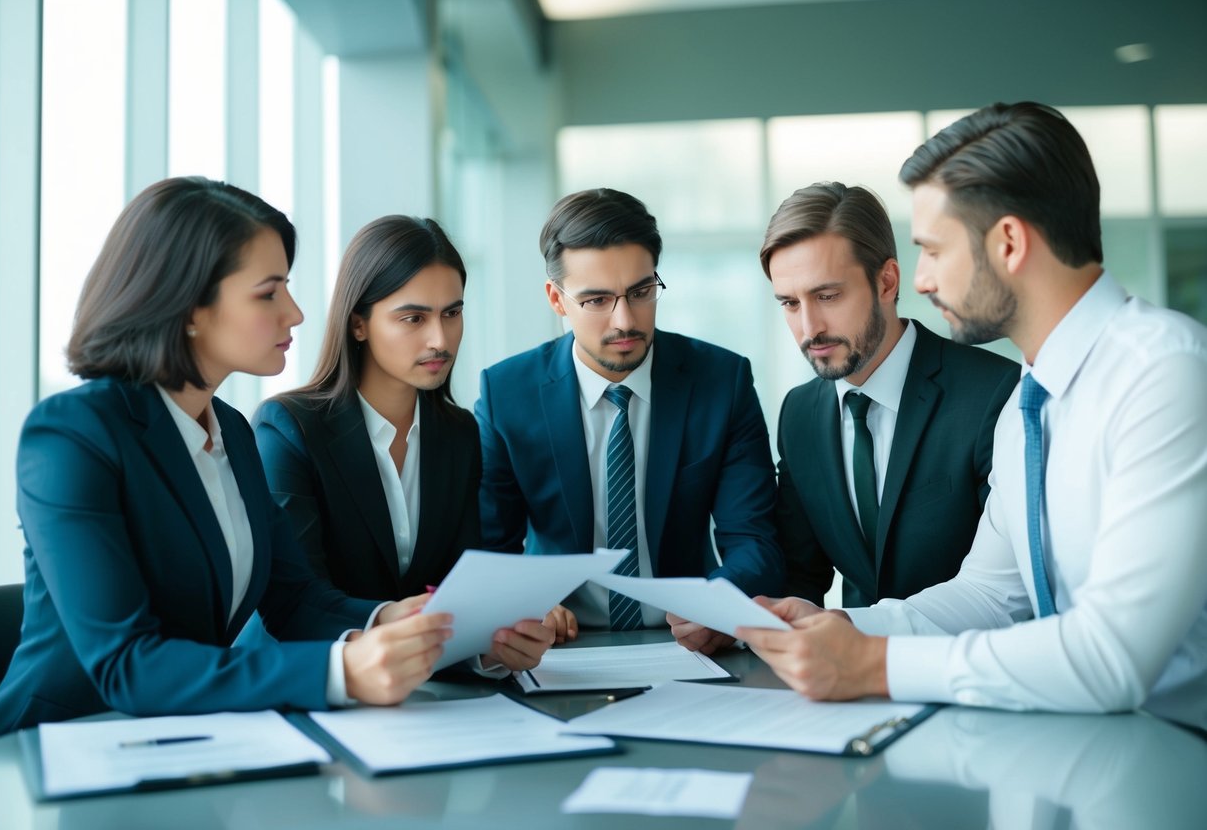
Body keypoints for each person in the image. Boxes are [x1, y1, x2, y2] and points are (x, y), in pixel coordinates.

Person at [739, 102, 1207, 731]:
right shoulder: (1028, 403)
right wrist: (844, 627)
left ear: (1008, 243)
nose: (922, 281)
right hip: (1078, 747)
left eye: (933, 249)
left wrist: (874, 666)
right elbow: (990, 595)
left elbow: (1112, 655)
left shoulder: (1164, 373)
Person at [0, 178, 453, 737]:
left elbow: (293, 598)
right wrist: (341, 671)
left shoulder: (231, 429)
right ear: (187, 306)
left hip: (188, 742)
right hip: (57, 752)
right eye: (269, 293)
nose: (297, 313)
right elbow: (125, 664)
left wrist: (393, 621)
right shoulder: (73, 434)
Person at [475, 188, 783, 651]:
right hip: (555, 649)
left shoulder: (721, 381)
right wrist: (520, 605)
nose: (625, 320)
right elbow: (487, 552)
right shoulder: (507, 394)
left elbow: (756, 540)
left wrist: (718, 602)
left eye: (640, 292)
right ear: (557, 301)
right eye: (596, 300)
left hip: (690, 642)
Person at [253, 215, 552, 672]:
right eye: (413, 318)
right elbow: (297, 601)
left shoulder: (458, 434)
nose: (440, 339)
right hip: (303, 683)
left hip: (417, 693)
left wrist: (491, 646)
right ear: (358, 324)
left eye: (452, 313)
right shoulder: (289, 429)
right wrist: (386, 619)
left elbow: (456, 590)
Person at [763, 182, 1018, 607]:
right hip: (845, 669)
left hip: (963, 663)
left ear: (886, 281)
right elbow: (799, 576)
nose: (809, 329)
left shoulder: (993, 394)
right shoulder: (799, 414)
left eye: (827, 296)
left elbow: (1009, 592)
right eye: (790, 303)